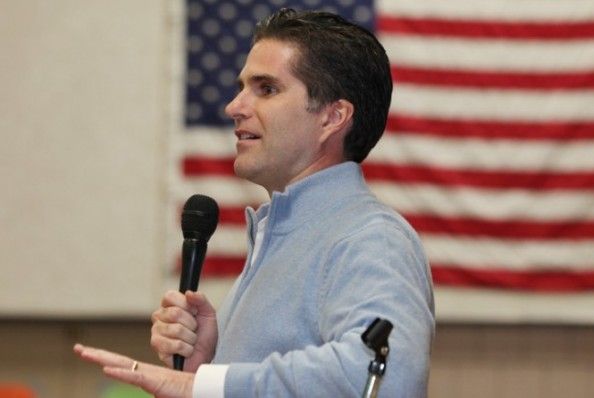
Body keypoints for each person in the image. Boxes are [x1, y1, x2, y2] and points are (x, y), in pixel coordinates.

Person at [74, 8, 435, 397]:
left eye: (266, 89)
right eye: (243, 86)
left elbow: (385, 376)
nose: (235, 106)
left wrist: (205, 384)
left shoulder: (372, 237)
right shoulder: (287, 235)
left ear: (333, 118)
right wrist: (210, 360)